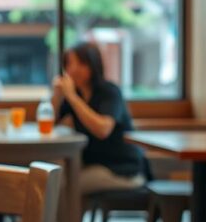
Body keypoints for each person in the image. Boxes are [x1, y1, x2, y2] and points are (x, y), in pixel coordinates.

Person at [53, 42, 146, 194]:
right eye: (69, 64)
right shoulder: (76, 94)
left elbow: (103, 130)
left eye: (81, 63)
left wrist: (72, 96)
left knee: (66, 185)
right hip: (93, 165)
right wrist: (57, 96)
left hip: (122, 169)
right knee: (54, 177)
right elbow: (50, 124)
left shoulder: (109, 92)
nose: (73, 69)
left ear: (93, 64)